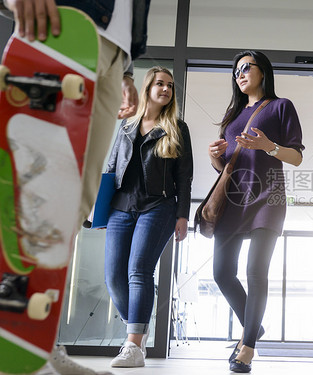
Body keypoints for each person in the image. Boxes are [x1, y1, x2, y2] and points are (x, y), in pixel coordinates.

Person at [0, 1, 150, 374]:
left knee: (74, 201)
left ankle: (36, 341)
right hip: (60, 25)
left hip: (114, 52)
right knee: (28, 191)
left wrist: (125, 67)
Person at [208, 50, 304, 373]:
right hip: (234, 200)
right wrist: (214, 157)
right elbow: (226, 167)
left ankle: (247, 346)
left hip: (268, 197)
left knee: (255, 271)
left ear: (263, 71)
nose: (240, 74)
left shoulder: (281, 107)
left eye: (246, 67)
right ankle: (254, 326)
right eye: (236, 71)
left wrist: (268, 147)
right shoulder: (232, 116)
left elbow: (296, 158)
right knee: (221, 272)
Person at [104, 66, 193, 368]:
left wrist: (183, 215)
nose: (166, 89)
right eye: (160, 84)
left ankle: (133, 345)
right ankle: (138, 329)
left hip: (159, 206)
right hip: (121, 206)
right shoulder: (127, 124)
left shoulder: (178, 128)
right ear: (147, 88)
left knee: (139, 270)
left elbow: (185, 177)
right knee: (114, 276)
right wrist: (98, 205)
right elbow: (112, 167)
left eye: (170, 85)